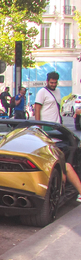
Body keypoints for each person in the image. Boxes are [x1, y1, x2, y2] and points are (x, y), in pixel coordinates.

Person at [33, 71, 81, 200]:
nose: (53, 84)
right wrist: (39, 127)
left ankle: (63, 189)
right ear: (47, 81)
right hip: (46, 129)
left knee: (64, 156)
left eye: (55, 83)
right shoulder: (42, 92)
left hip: (57, 128)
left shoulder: (58, 92)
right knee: (59, 160)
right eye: (51, 82)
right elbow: (37, 108)